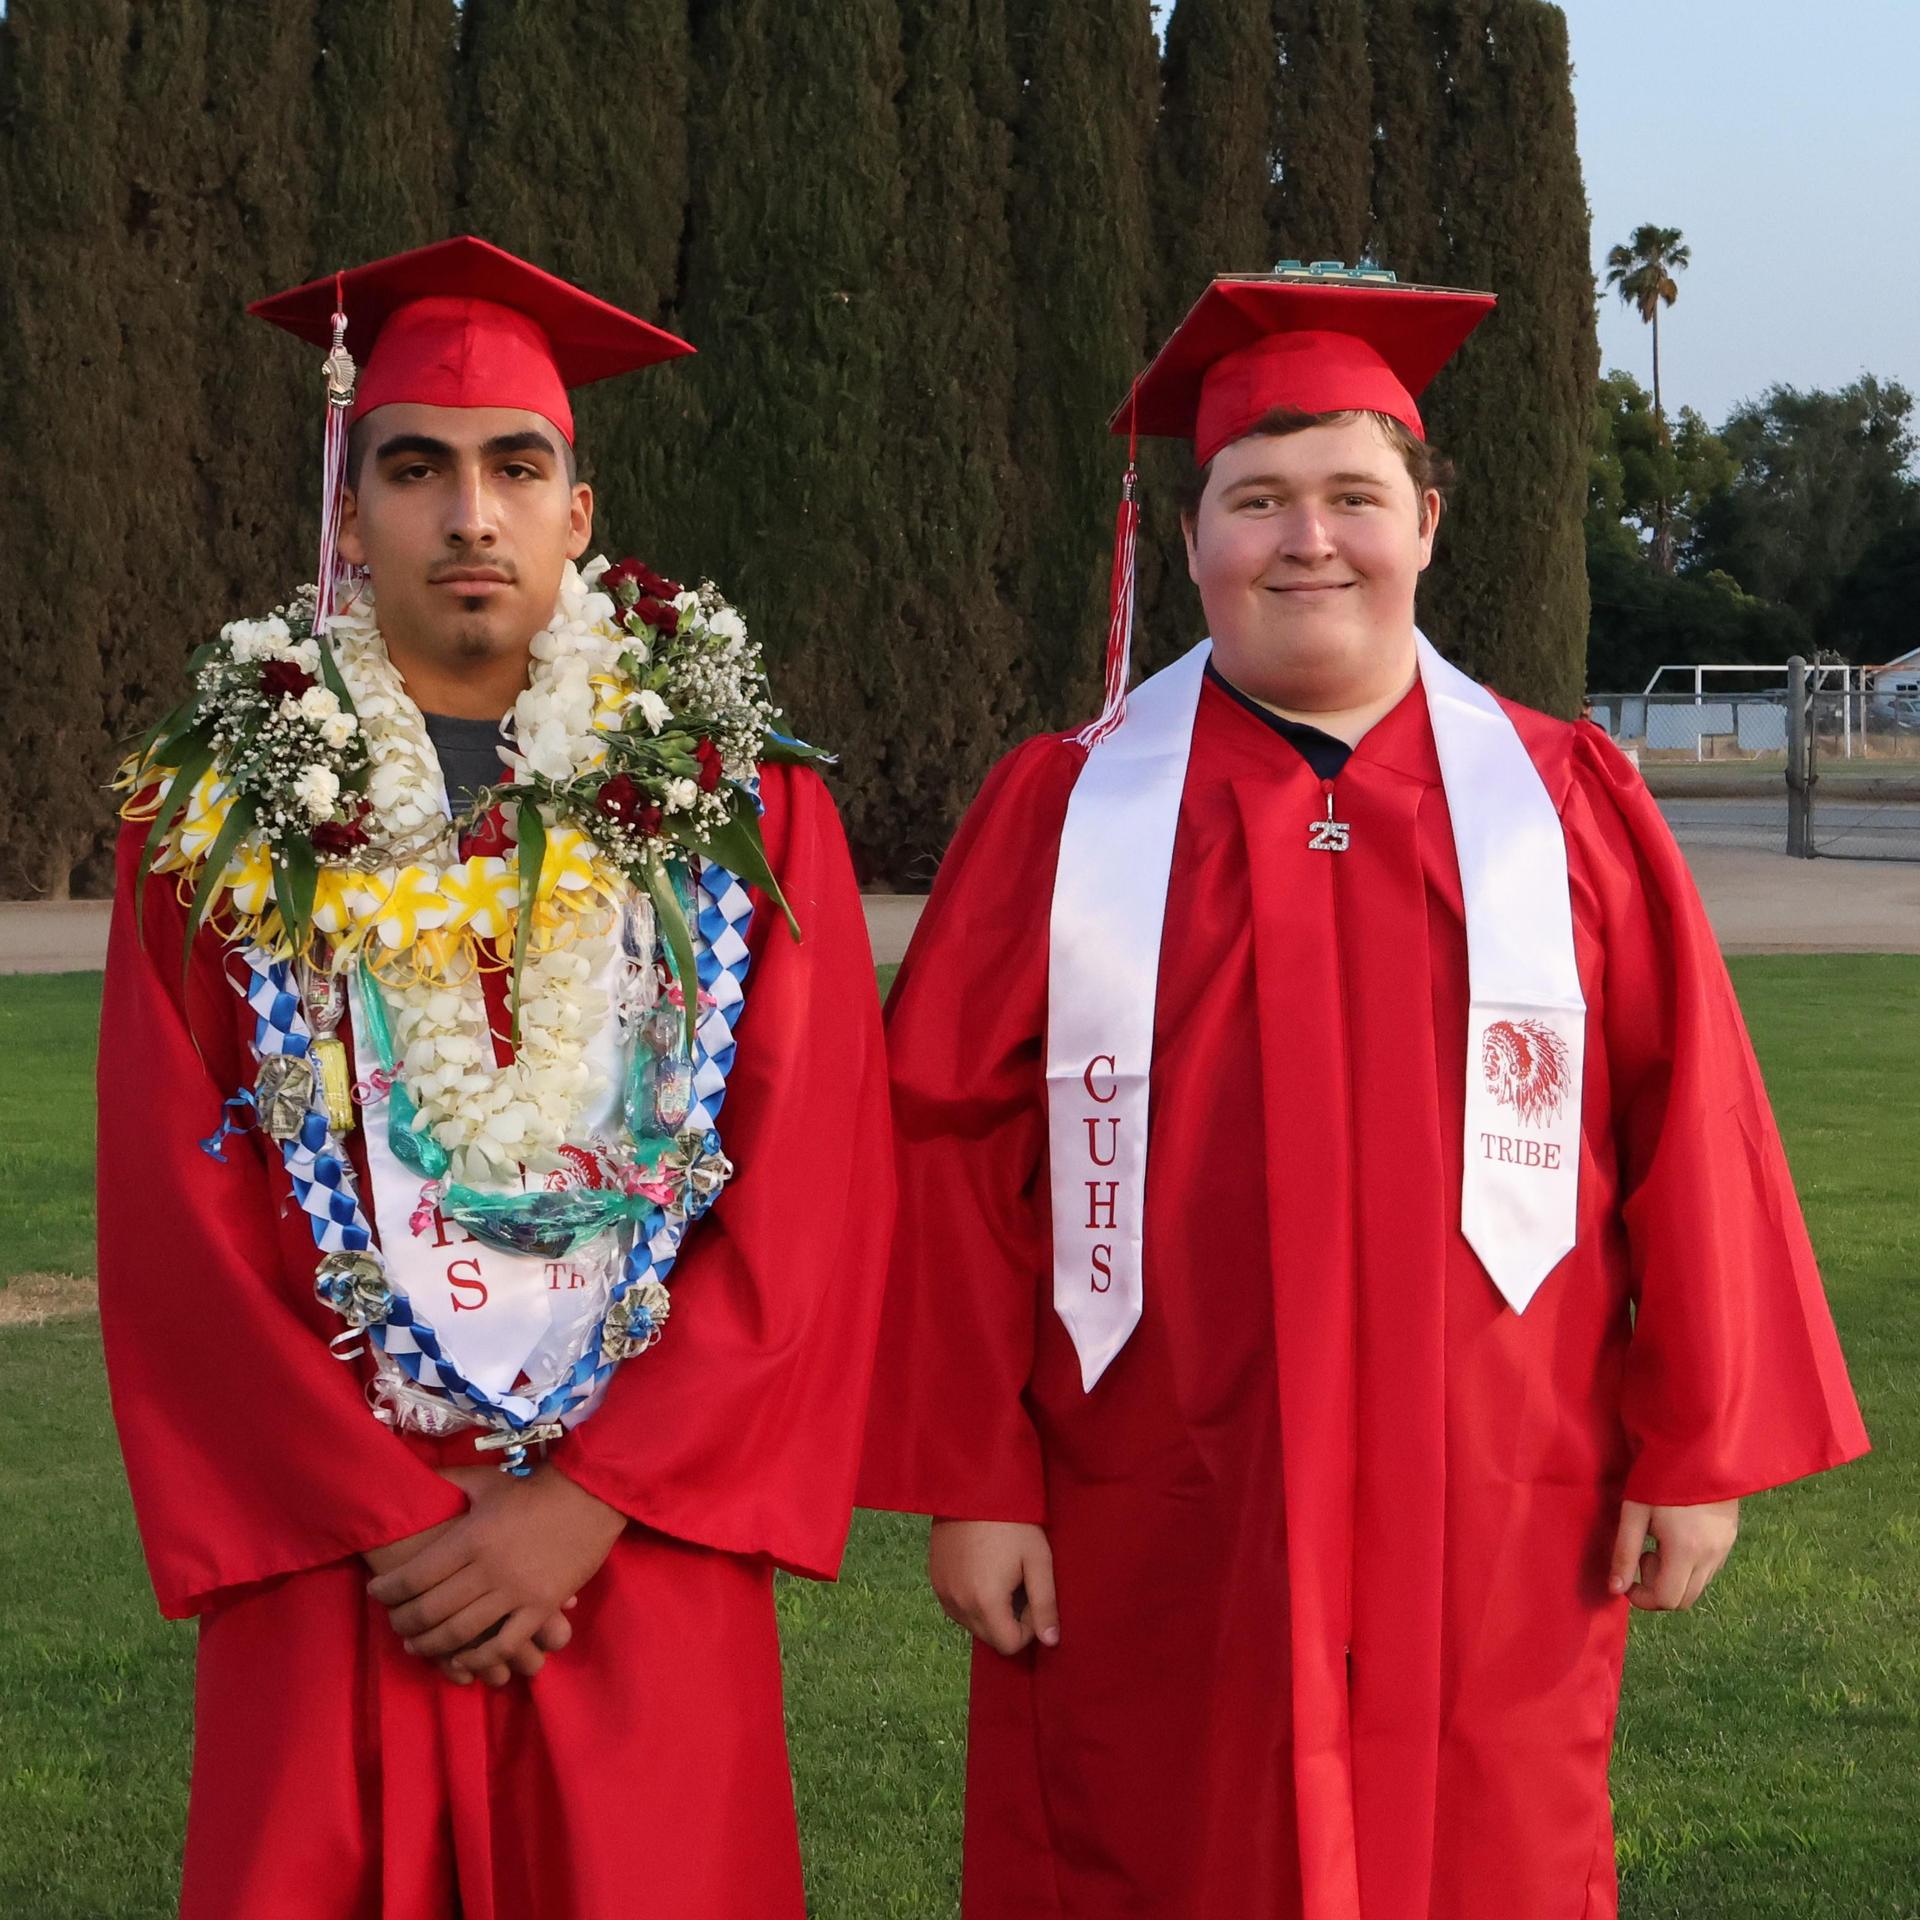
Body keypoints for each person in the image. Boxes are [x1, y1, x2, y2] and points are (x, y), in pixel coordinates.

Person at [858, 266, 1868, 1919]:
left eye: (1352, 497)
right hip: (1152, 1492)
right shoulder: (1065, 811)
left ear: (1428, 526)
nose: (1307, 540)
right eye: (1256, 501)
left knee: (1488, 1851)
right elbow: (948, 1158)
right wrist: (975, 1479)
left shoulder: (1567, 802)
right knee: (1153, 1840)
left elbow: (1691, 1131)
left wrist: (1696, 1446)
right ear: (1194, 541)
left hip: (1498, 1488)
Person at [97, 236, 892, 1918]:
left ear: (577, 516)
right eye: (417, 467)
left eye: (514, 467)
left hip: (633, 1547)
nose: (470, 513)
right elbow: (183, 1203)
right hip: (343, 1563)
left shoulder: (739, 814)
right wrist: (382, 1511)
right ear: (348, 513)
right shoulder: (213, 826)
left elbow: (811, 1181)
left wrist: (591, 1503)